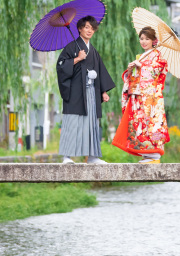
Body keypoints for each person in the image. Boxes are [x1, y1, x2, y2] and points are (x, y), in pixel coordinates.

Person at [56, 15, 115, 164]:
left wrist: (103, 91)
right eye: (86, 27)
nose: (90, 30)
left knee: (91, 124)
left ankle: (93, 157)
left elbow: (100, 71)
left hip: (91, 92)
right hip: (75, 92)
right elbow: (61, 66)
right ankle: (67, 156)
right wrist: (77, 59)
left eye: (92, 28)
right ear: (80, 29)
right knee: (73, 122)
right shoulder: (71, 47)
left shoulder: (93, 51)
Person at [112, 26, 169, 163]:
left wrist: (141, 67)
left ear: (154, 40)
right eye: (141, 39)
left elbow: (157, 72)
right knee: (139, 124)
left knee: (151, 123)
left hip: (151, 98)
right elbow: (134, 77)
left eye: (147, 39)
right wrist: (131, 70)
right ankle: (146, 153)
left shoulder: (158, 56)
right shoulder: (143, 56)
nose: (143, 42)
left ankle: (154, 154)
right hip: (138, 96)